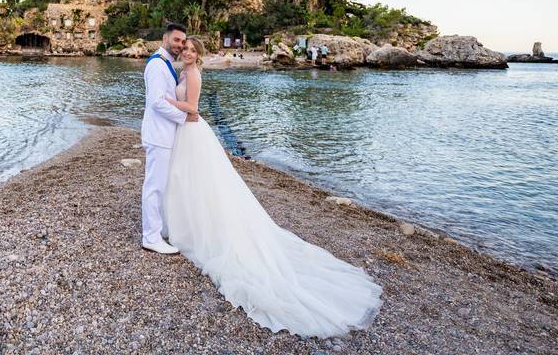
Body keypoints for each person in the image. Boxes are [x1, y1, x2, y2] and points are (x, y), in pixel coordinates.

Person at [161, 36, 383, 337]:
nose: (186, 52)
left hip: (192, 131)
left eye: (191, 50)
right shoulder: (183, 72)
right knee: (187, 182)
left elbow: (193, 108)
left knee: (200, 183)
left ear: (198, 55)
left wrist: (165, 101)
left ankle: (194, 231)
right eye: (184, 48)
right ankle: (184, 225)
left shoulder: (195, 74)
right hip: (186, 134)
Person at [140, 23, 198, 255]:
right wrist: (184, 116)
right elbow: (156, 102)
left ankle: (158, 229)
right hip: (158, 134)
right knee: (154, 187)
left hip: (165, 133)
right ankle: (150, 237)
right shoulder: (156, 65)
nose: (180, 46)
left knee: (162, 185)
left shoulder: (166, 64)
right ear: (164, 39)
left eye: (183, 42)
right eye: (176, 41)